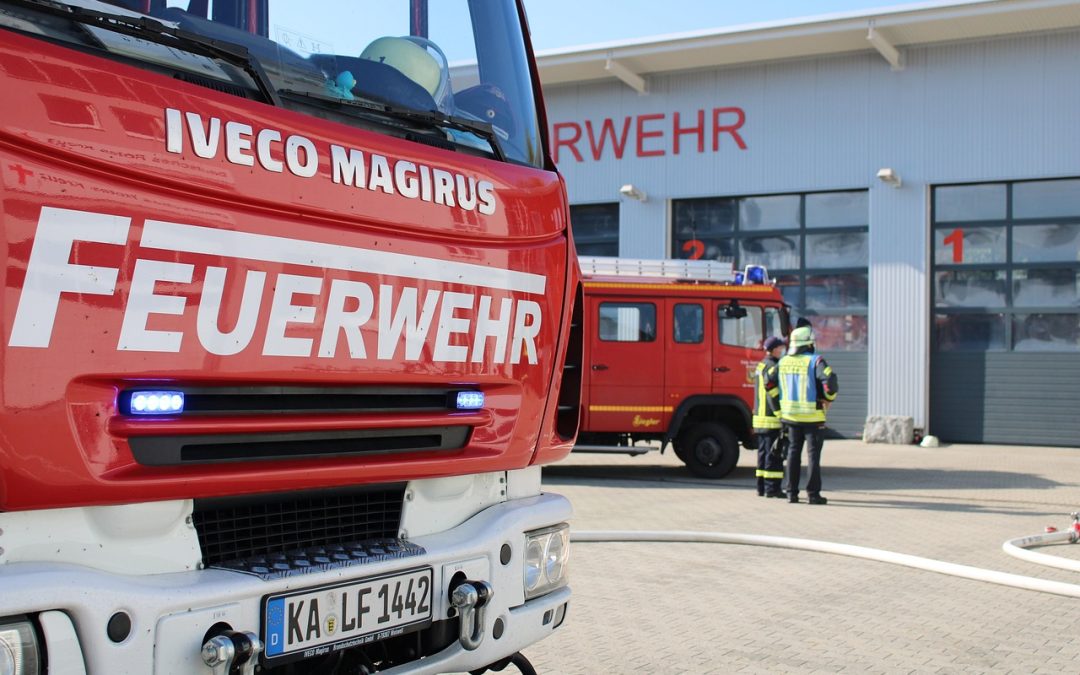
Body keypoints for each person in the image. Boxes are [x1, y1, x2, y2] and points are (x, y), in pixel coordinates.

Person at [770, 324, 838, 505]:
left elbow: (768, 383)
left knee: (793, 453)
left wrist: (779, 404)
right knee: (813, 456)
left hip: (790, 417)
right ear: (809, 343)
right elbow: (830, 382)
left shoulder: (783, 361)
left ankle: (791, 493)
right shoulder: (815, 361)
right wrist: (828, 398)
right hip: (813, 418)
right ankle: (813, 494)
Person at [752, 336, 786, 498]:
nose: (782, 350)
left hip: (759, 418)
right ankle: (772, 489)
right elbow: (772, 393)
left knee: (763, 454)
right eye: (780, 348)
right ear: (774, 350)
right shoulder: (773, 367)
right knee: (774, 454)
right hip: (770, 418)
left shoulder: (761, 365)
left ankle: (761, 487)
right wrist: (780, 415)